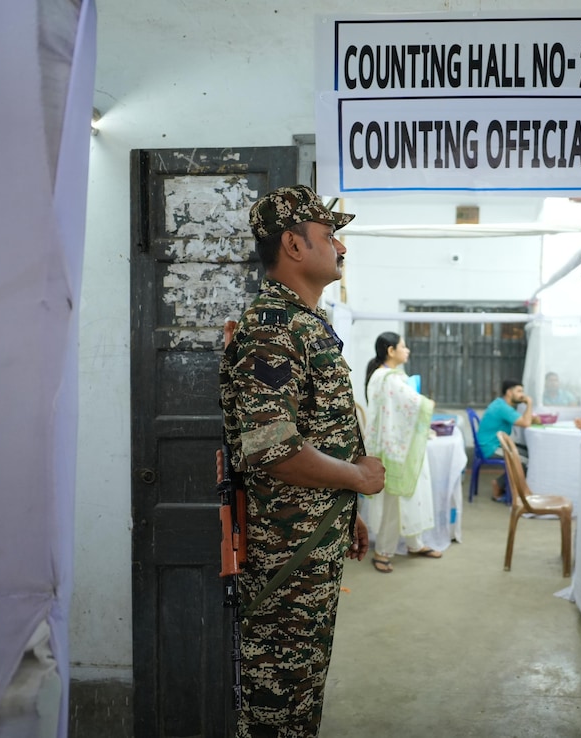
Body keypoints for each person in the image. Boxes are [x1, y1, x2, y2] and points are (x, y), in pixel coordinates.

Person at [219, 184, 385, 738]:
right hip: (284, 567)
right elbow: (274, 450)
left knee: (299, 705)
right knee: (276, 714)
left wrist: (345, 509)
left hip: (310, 550)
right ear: (293, 244)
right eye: (329, 235)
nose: (341, 247)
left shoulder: (304, 325)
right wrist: (359, 477)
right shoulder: (273, 328)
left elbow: (316, 439)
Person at [363, 331, 444, 573]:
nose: (407, 350)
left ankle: (414, 543)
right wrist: (428, 404)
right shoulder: (388, 378)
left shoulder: (386, 376)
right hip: (393, 449)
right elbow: (413, 404)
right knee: (394, 501)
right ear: (390, 350)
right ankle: (383, 551)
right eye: (403, 346)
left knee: (410, 496)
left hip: (395, 445)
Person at [474, 379, 534, 502]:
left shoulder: (501, 404)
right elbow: (526, 422)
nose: (522, 395)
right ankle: (502, 486)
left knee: (530, 453)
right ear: (509, 392)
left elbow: (524, 420)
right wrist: (530, 404)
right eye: (519, 391)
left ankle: (508, 487)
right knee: (529, 460)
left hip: (491, 444)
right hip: (490, 447)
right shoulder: (503, 408)